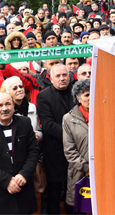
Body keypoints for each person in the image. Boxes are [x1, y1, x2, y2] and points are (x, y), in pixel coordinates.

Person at [0, 93, 40, 214]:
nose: (4, 108)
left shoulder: (25, 123)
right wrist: (7, 181)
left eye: (8, 104)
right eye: (0, 105)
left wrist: (24, 174)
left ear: (13, 105)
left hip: (23, 188)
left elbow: (33, 151)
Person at [36, 64, 73, 214]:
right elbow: (48, 125)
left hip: (76, 152)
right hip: (55, 151)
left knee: (73, 191)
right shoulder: (43, 96)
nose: (62, 78)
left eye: (64, 75)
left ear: (69, 76)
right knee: (54, 192)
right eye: (58, 76)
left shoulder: (76, 92)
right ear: (51, 79)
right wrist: (73, 136)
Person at [62, 78, 90, 212]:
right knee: (79, 207)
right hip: (79, 173)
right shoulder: (68, 119)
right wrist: (86, 168)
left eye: (93, 93)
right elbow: (69, 150)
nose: (91, 97)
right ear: (78, 98)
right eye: (87, 95)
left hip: (103, 172)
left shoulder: (104, 114)